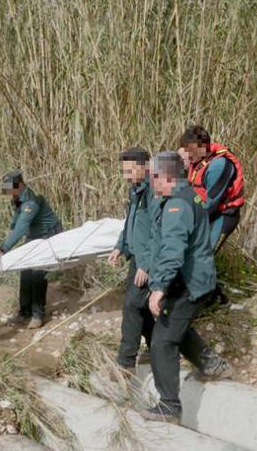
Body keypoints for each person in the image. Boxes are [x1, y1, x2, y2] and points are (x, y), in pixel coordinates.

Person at [141, 152, 231, 424]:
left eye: (152, 177)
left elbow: (173, 250)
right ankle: (212, 365)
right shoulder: (188, 194)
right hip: (194, 279)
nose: (150, 183)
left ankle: (170, 406)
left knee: (163, 342)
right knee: (169, 324)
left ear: (164, 176)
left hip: (188, 283)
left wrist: (158, 287)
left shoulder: (177, 206)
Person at [108, 148, 155, 371]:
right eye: (123, 170)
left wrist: (146, 265)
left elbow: (159, 230)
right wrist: (120, 247)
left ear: (144, 166)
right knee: (141, 307)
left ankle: (125, 361)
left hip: (150, 259)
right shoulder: (135, 189)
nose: (125, 175)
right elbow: (131, 222)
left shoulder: (155, 191)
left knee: (132, 306)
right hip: (137, 256)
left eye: (129, 170)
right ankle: (157, 348)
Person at [0, 170, 62, 329]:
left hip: (48, 235)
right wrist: (11, 229)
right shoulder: (18, 197)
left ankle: (38, 315)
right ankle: (24, 311)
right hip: (34, 235)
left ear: (19, 186)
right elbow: (16, 221)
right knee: (25, 269)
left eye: (9, 189)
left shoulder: (31, 202)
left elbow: (22, 227)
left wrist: (4, 248)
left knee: (38, 272)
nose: (7, 192)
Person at [178, 126, 245, 253]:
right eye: (186, 150)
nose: (188, 155)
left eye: (191, 151)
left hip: (222, 216)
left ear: (203, 148)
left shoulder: (218, 166)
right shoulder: (198, 159)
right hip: (203, 212)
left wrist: (189, 221)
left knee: (204, 256)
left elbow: (211, 205)